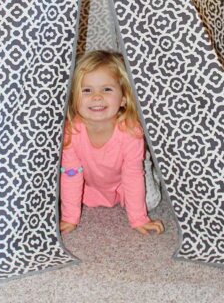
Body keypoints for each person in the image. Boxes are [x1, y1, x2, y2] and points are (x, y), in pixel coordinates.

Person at [60, 50, 164, 236]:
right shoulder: (71, 132)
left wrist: (139, 218)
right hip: (94, 181)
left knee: (150, 201)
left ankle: (145, 162)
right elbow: (71, 175)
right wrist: (69, 217)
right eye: (87, 90)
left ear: (123, 98)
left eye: (107, 89)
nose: (97, 96)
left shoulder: (130, 132)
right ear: (74, 98)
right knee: (67, 193)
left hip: (126, 175)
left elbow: (132, 177)